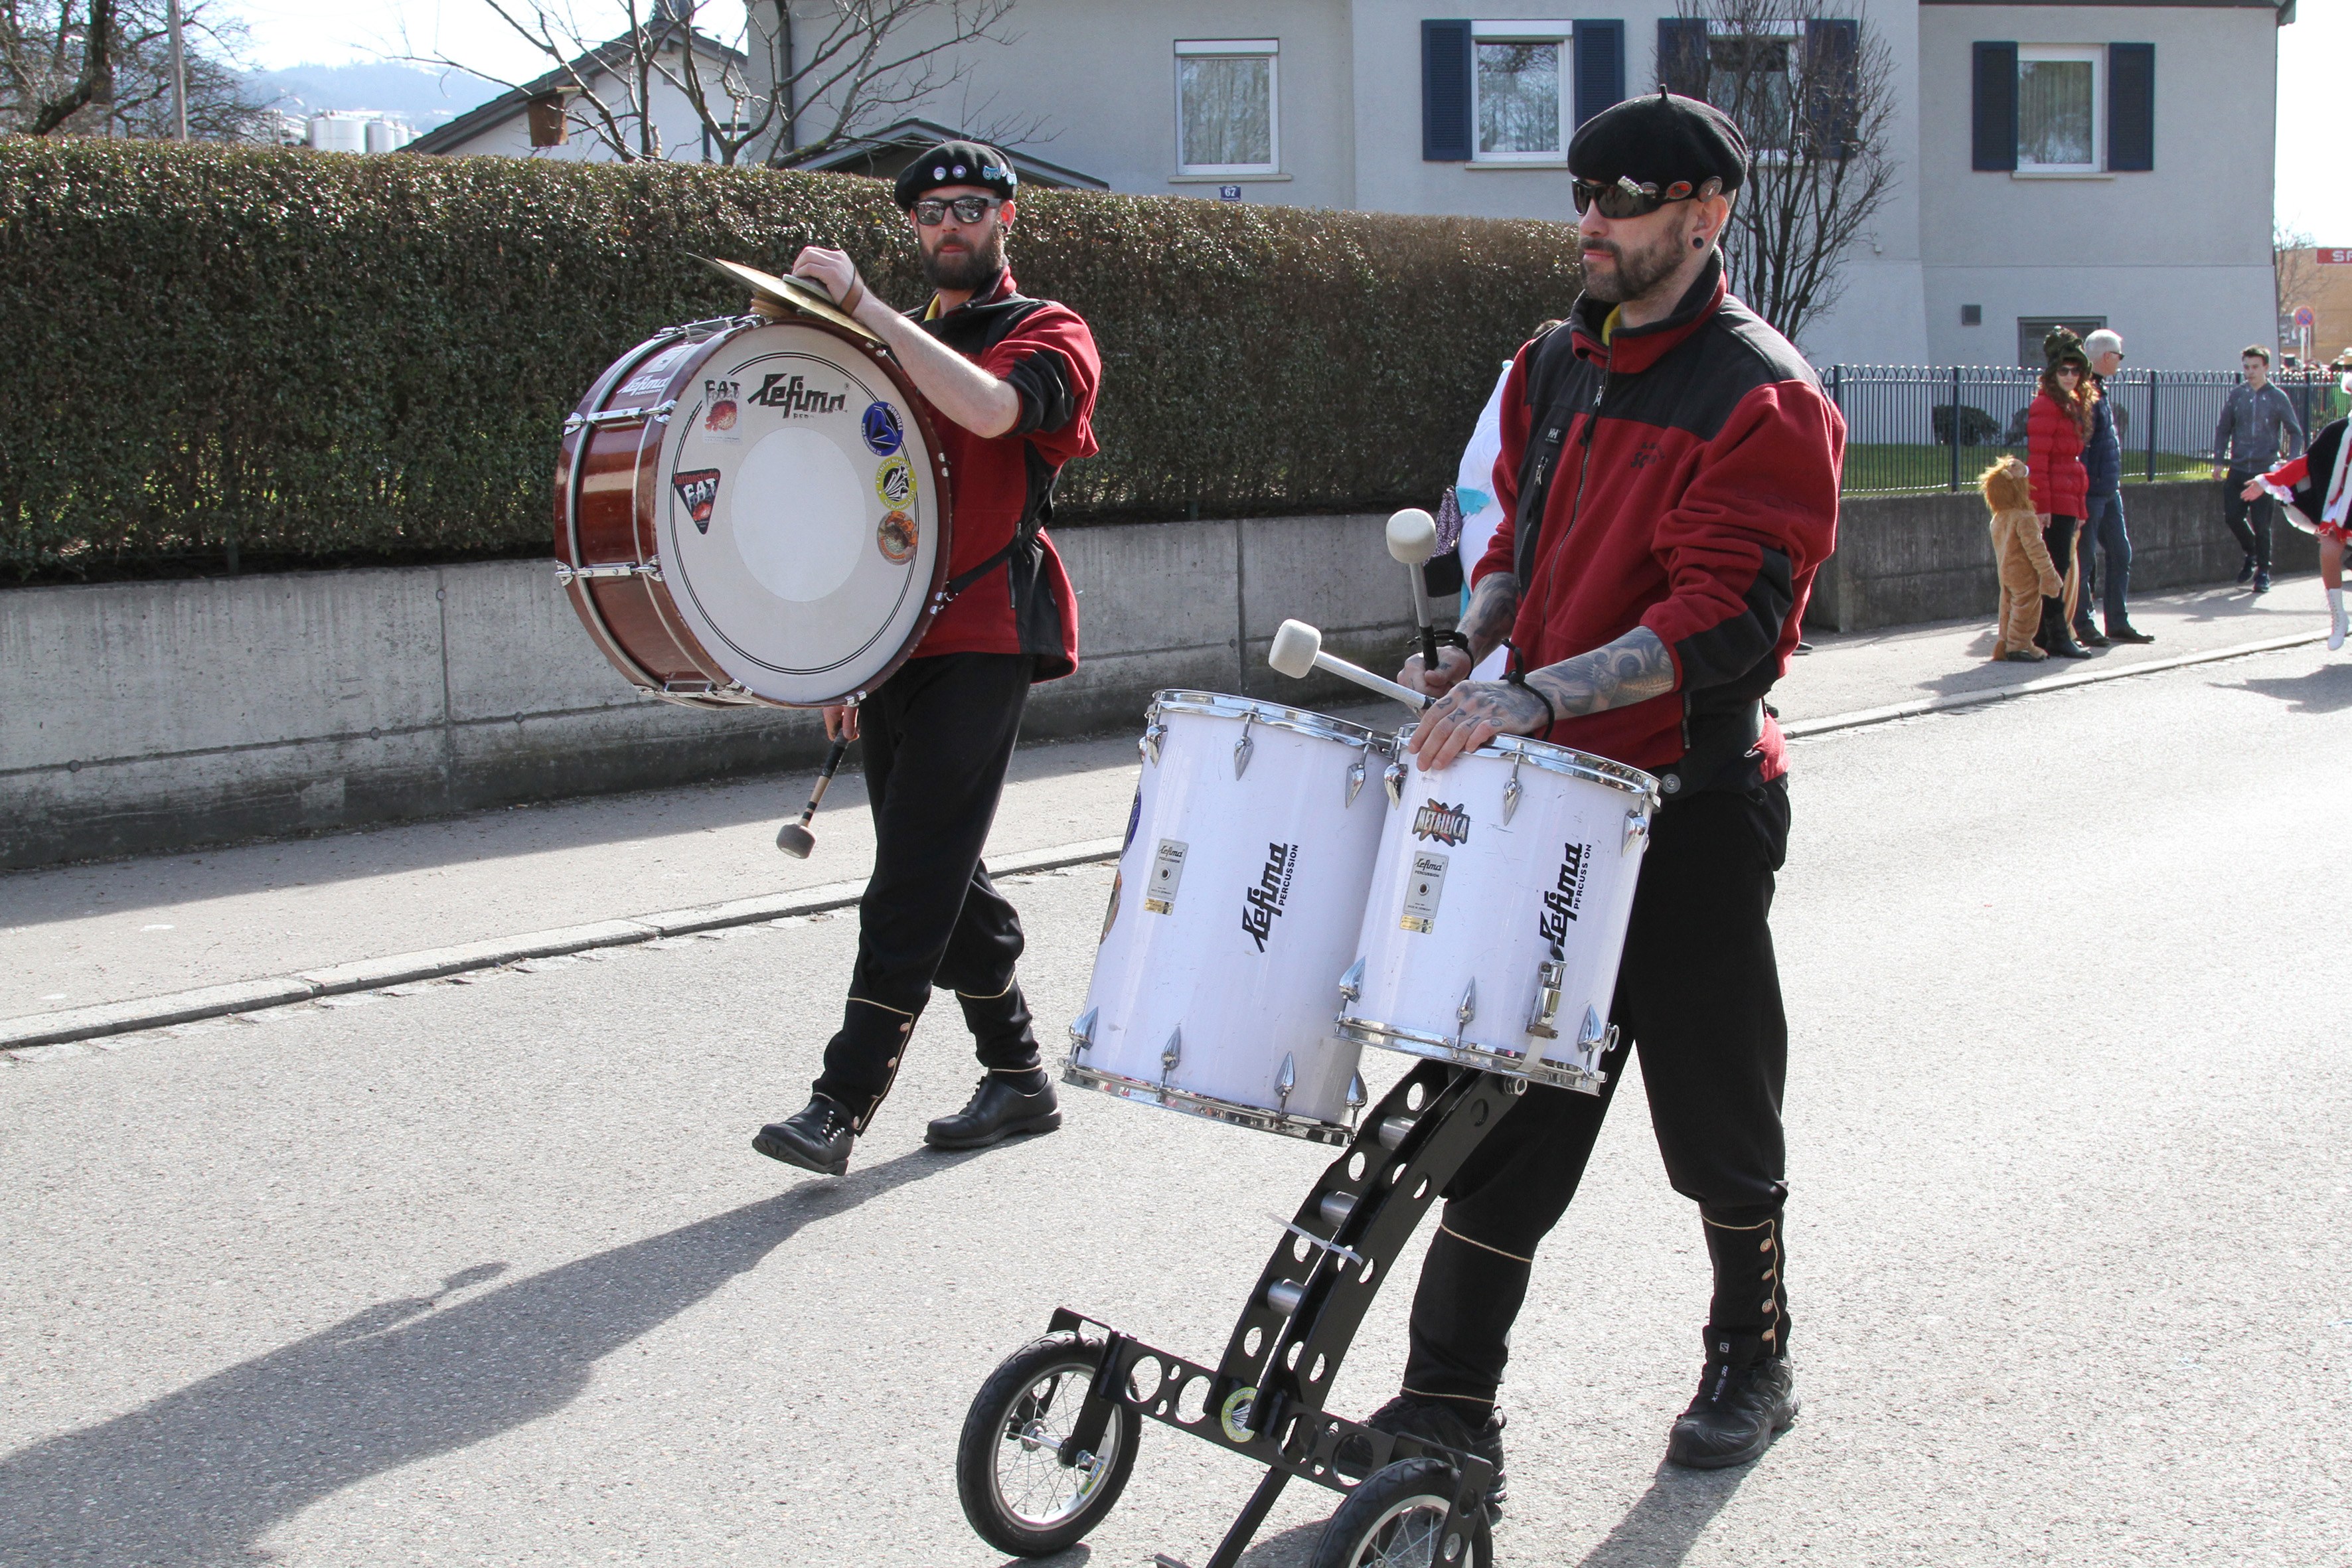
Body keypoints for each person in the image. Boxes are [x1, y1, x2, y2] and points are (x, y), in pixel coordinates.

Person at [1358, 90, 1842, 1491]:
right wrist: (1472, 645)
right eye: (1582, 196)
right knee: (1504, 1109)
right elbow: (1515, 541)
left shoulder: (1762, 396)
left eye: (1621, 202)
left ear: (1703, 215)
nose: (1590, 222)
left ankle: (1752, 1354)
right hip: (1553, 801)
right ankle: (1446, 1401)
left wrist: (1534, 693)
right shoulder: (1552, 363)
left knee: (1714, 1108)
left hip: (1689, 808)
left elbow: (1721, 619)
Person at [749, 141, 1103, 1178]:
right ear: (912, 225)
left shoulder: (1049, 330)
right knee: (943, 869)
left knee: (910, 875)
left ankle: (838, 1102)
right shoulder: (886, 344)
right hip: (891, 635)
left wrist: (863, 308)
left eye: (970, 208)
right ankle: (1019, 1074)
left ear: (1005, 219)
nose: (950, 225)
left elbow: (991, 409)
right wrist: (842, 656)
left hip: (987, 630)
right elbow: (855, 503)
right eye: (932, 212)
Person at [2243, 392, 2351, 649]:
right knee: (2329, 551)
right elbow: (2308, 463)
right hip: (2345, 508)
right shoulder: (2339, 431)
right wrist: (2266, 482)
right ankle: (2339, 617)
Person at [2078, 329, 2154, 643]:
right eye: (2119, 356)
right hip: (2092, 491)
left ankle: (2117, 621)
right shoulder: (2087, 394)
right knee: (2084, 560)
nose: (2121, 362)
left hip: (2108, 490)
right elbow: (2082, 449)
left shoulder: (2098, 390)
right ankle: (2083, 623)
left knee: (2121, 553)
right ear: (2107, 357)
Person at [2026, 330, 2098, 659]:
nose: (2070, 376)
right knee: (2055, 568)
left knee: (2060, 567)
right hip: (2055, 497)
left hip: (2067, 494)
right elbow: (2039, 460)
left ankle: (2046, 634)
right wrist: (2042, 505)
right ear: (2053, 372)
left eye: (2076, 370)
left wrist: (2079, 508)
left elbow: (2073, 464)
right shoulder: (2046, 405)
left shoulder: (2071, 404)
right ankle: (2054, 633)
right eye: (2064, 370)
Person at [2214, 344, 2306, 594]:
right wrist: (2219, 460)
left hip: (2264, 472)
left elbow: (2295, 432)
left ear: (2266, 367)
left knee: (2262, 524)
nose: (2250, 372)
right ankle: (2252, 552)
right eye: (2246, 367)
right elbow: (2224, 428)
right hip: (2239, 468)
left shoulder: (2277, 397)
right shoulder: (2237, 395)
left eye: (2255, 367)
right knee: (2233, 517)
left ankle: (2263, 572)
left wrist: (2290, 464)